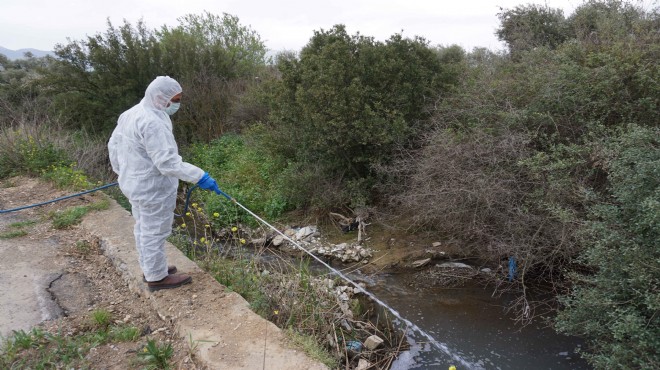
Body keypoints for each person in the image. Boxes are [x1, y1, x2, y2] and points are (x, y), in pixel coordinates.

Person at [108, 76, 222, 292]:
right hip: (152, 188)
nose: (177, 104)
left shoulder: (132, 113)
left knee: (143, 227)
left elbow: (113, 146)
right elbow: (167, 163)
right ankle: (157, 278)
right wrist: (200, 176)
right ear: (160, 97)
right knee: (154, 231)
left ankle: (152, 268)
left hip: (134, 183)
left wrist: (123, 172)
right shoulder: (152, 123)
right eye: (175, 99)